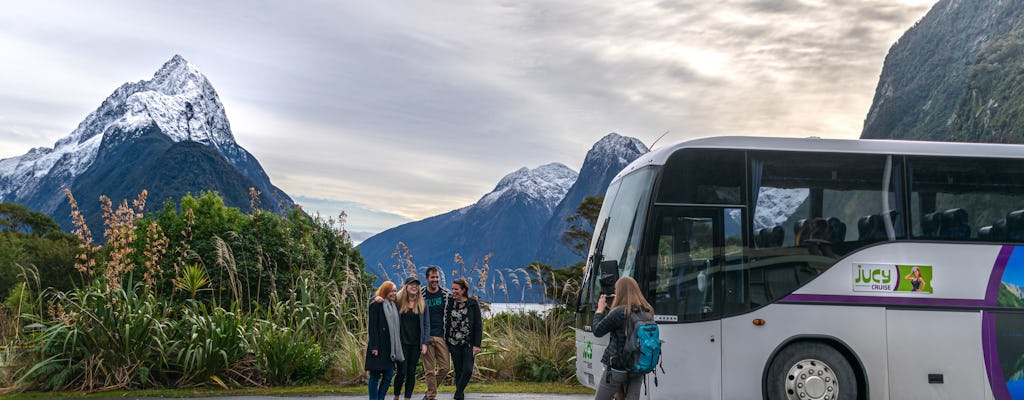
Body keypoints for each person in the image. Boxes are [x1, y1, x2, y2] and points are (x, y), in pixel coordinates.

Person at [592, 276, 654, 400]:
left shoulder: (619, 312)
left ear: (619, 292)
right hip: (638, 364)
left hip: (618, 366)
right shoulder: (647, 311)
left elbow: (598, 331)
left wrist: (599, 310)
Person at [393, 276, 430, 400]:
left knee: (411, 372)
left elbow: (426, 324)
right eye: (412, 284)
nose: (414, 286)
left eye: (417, 285)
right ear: (406, 286)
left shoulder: (422, 304)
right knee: (401, 372)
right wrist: (376, 298)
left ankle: (407, 398)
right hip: (401, 343)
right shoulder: (398, 301)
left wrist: (425, 342)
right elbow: (383, 299)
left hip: (415, 344)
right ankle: (396, 396)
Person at [444, 277, 482, 400]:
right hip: (453, 343)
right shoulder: (450, 302)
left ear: (463, 290)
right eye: (452, 289)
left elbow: (478, 324)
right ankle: (460, 396)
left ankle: (457, 394)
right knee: (458, 371)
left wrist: (477, 345)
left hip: (468, 343)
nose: (453, 291)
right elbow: (447, 322)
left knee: (468, 370)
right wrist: (446, 341)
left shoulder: (472, 303)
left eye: (456, 289)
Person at [365, 281, 404, 400]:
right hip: (378, 347)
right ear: (385, 291)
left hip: (390, 348)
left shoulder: (394, 306)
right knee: (375, 376)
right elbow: (372, 328)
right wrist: (374, 347)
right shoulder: (376, 305)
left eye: (395, 291)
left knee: (388, 375)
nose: (394, 293)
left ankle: (380, 398)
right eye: (391, 291)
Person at [420, 266, 451, 400]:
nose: (435, 280)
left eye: (437, 277)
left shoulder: (445, 294)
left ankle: (429, 391)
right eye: (432, 277)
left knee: (445, 367)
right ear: (427, 279)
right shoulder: (420, 294)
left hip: (441, 336)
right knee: (429, 370)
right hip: (425, 337)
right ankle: (431, 396)